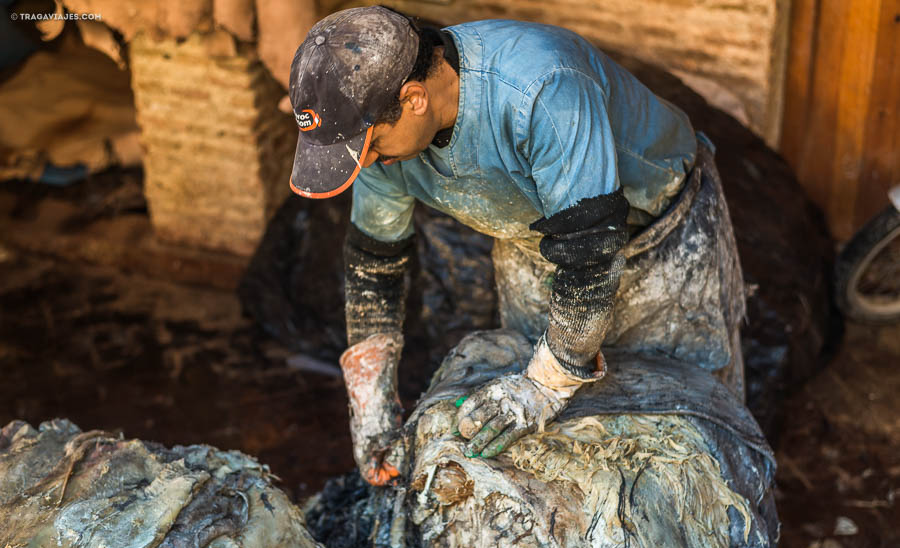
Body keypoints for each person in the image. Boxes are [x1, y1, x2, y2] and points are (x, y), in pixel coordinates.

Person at [288, 6, 746, 486]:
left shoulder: (543, 86)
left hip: (660, 240)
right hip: (538, 243)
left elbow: (591, 252)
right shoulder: (381, 140)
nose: (373, 164)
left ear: (414, 98)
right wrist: (371, 402)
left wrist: (544, 385)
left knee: (680, 431)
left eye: (374, 148)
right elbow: (374, 263)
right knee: (551, 448)